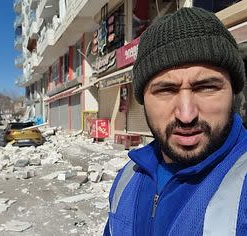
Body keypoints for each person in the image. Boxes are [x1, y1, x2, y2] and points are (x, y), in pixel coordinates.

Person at [104, 7, 247, 235]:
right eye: (166, 90)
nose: (186, 115)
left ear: (233, 92)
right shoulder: (129, 177)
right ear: (142, 99)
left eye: (206, 87)